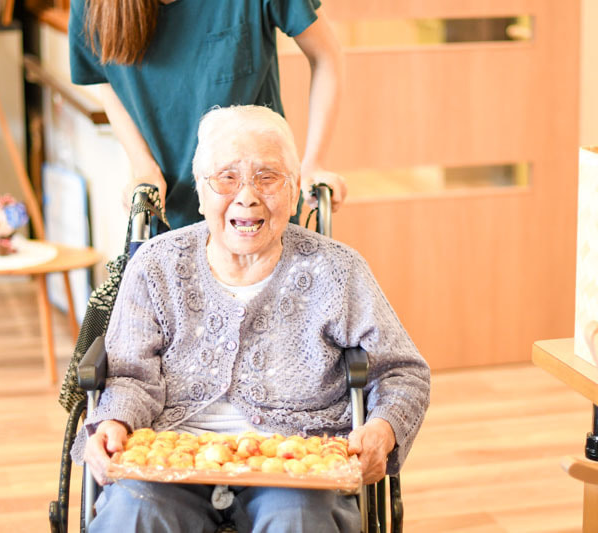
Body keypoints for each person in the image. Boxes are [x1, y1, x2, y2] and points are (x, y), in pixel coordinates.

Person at [75, 105, 430, 533]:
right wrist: (114, 420)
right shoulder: (155, 264)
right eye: (227, 177)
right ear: (201, 192)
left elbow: (402, 371)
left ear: (294, 190)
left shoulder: (337, 270)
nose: (246, 196)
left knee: (298, 521)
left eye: (268, 177)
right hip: (170, 457)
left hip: (297, 464)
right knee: (133, 513)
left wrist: (382, 429)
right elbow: (130, 375)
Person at [69, 0, 348, 230]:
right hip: (168, 209)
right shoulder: (91, 5)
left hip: (256, 212)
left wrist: (314, 163)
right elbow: (108, 79)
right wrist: (143, 166)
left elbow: (325, 55)